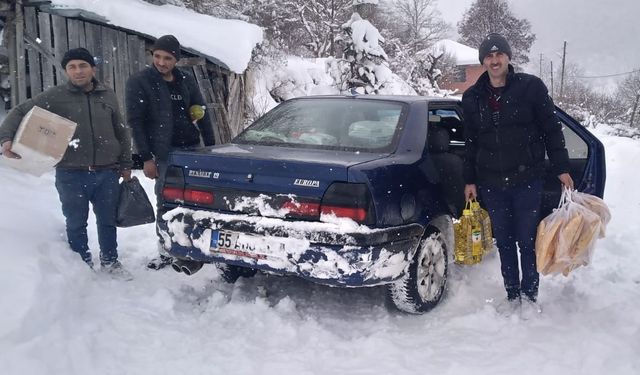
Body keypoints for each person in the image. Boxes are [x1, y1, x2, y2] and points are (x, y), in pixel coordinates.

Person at [462, 33, 574, 312]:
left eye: (499, 54)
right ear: (483, 61)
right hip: (491, 181)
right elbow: (470, 141)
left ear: (508, 58)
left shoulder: (531, 88)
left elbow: (551, 129)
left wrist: (561, 168)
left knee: (526, 239)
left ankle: (530, 294)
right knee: (505, 241)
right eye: (489, 55)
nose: (494, 59)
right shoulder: (472, 97)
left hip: (527, 180)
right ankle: (512, 294)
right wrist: (469, 179)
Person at [0, 48, 133, 274]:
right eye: (72, 67)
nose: (78, 71)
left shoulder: (107, 95)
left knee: (107, 221)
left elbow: (120, 130)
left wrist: (126, 163)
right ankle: (82, 264)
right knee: (76, 222)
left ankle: (111, 261)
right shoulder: (56, 96)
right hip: (71, 173)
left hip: (107, 172)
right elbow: (20, 110)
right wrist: (6, 138)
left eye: (82, 65)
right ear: (66, 71)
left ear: (93, 68)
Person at [125, 35, 215, 270]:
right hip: (164, 153)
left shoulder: (185, 80)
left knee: (197, 198)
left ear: (176, 59)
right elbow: (136, 122)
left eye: (167, 58)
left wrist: (213, 149)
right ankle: (165, 250)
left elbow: (203, 111)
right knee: (166, 200)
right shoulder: (140, 82)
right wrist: (146, 158)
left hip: (192, 148)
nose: (161, 62)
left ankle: (194, 247)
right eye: (157, 56)